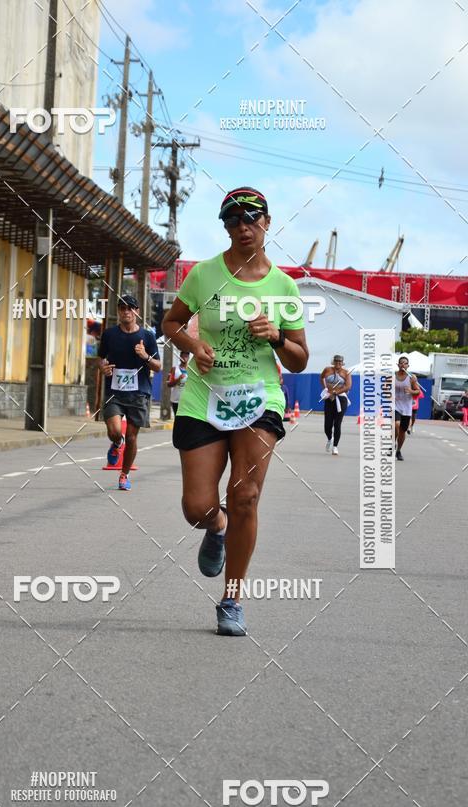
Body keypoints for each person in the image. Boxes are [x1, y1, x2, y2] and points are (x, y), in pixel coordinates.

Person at [162, 186, 308, 636]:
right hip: (205, 396)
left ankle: (232, 599)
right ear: (225, 227)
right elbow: (169, 323)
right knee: (198, 506)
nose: (242, 228)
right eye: (232, 221)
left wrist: (276, 337)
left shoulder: (284, 286)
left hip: (259, 397)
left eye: (251, 219)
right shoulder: (204, 275)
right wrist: (192, 343)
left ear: (267, 221)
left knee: (245, 495)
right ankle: (216, 527)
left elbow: (300, 358)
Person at [98, 294, 161, 490]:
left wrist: (145, 356)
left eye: (130, 308)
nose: (126, 311)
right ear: (118, 311)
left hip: (139, 392)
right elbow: (100, 358)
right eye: (122, 308)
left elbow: (158, 366)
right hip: (115, 391)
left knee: (133, 437)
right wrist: (103, 368)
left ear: (137, 312)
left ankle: (124, 475)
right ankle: (117, 443)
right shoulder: (109, 335)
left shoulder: (147, 336)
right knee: (115, 431)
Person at [320, 355, 351, 456]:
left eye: (340, 361)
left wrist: (336, 392)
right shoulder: (327, 369)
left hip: (341, 399)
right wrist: (326, 388)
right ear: (333, 362)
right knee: (327, 425)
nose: (338, 363)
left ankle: (335, 447)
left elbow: (348, 386)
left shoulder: (346, 373)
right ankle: (330, 438)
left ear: (342, 363)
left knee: (337, 424)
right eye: (336, 361)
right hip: (329, 398)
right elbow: (322, 378)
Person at [394, 356, 421, 460]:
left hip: (406, 407)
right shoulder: (392, 376)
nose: (403, 365)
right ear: (398, 365)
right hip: (395, 405)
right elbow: (385, 388)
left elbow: (418, 391)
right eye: (401, 363)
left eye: (405, 363)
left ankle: (398, 450)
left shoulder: (411, 377)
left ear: (408, 366)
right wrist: (388, 394)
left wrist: (411, 391)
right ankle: (392, 444)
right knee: (396, 424)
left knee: (402, 431)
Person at [167, 350, 190, 415]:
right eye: (183, 356)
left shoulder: (191, 370)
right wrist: (178, 379)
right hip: (176, 400)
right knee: (177, 419)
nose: (185, 358)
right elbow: (168, 384)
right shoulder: (174, 369)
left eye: (187, 356)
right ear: (180, 357)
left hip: (187, 401)